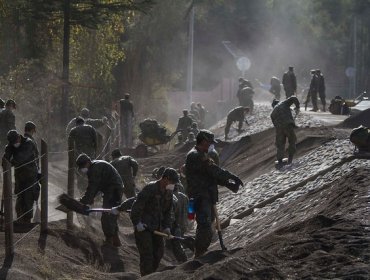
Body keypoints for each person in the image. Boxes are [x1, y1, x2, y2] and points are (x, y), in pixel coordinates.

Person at [185, 130, 243, 257]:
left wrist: (228, 183)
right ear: (204, 141)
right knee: (205, 225)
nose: (211, 145)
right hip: (200, 196)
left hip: (207, 195)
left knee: (208, 224)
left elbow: (212, 175)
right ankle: (199, 254)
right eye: (210, 142)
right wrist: (231, 177)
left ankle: (201, 251)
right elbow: (214, 170)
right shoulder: (196, 155)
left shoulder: (201, 154)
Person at [130, 168, 178, 276]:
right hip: (144, 227)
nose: (173, 185)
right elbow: (136, 206)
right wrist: (137, 223)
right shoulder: (150, 189)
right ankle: (146, 276)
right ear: (165, 179)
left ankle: (150, 275)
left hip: (157, 228)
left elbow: (168, 212)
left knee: (159, 254)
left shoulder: (168, 193)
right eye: (172, 182)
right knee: (147, 255)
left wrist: (167, 227)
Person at [76, 153, 124, 247]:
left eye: (83, 166)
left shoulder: (95, 169)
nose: (83, 168)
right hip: (114, 188)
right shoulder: (95, 166)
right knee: (112, 213)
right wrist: (90, 198)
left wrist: (84, 200)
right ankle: (115, 240)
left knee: (107, 214)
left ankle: (109, 240)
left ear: (88, 162)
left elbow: (92, 187)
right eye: (81, 167)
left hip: (113, 189)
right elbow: (97, 186)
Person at [3, 130, 39, 223]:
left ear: (19, 137)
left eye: (15, 141)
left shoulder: (28, 143)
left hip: (30, 175)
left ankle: (27, 220)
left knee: (28, 197)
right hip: (19, 176)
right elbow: (5, 160)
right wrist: (6, 156)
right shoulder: (11, 145)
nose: (15, 144)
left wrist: (10, 163)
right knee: (20, 196)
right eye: (12, 143)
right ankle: (19, 219)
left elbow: (21, 158)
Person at [270, 97, 300, 168]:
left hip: (279, 129)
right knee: (292, 141)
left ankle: (280, 162)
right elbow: (293, 98)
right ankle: (290, 161)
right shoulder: (283, 103)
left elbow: (275, 125)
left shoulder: (272, 113)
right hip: (288, 126)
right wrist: (297, 107)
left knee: (280, 145)